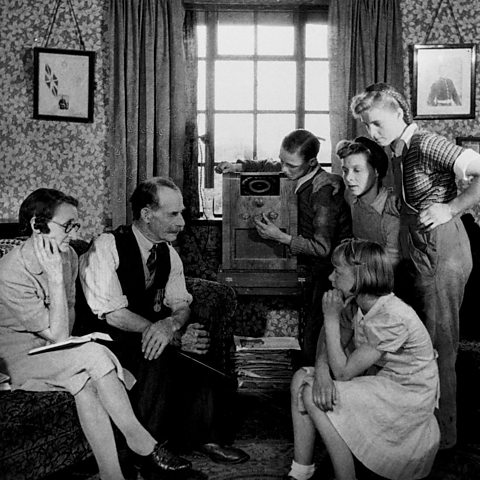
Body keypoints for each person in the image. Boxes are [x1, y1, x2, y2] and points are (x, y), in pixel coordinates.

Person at [0, 188, 191, 480]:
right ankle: (140, 441)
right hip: (16, 358)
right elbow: (61, 335)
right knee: (94, 352)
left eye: (76, 224)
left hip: (51, 350)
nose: (75, 232)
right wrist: (53, 277)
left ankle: (111, 475)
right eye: (67, 226)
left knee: (85, 383)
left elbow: (66, 323)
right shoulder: (11, 270)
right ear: (38, 225)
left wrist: (58, 272)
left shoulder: (67, 258)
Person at [79, 177, 249, 465]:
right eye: (173, 214)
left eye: (181, 212)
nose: (182, 222)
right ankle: (147, 450)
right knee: (155, 352)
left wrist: (172, 326)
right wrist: (168, 334)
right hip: (104, 340)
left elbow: (181, 305)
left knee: (200, 349)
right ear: (147, 214)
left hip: (147, 334)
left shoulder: (168, 253)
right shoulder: (107, 246)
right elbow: (113, 314)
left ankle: (203, 436)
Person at [350, 82, 480, 450]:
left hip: (444, 248)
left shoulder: (426, 142)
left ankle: (445, 436)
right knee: (420, 341)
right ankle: (422, 425)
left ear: (398, 112)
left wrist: (451, 208)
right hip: (419, 248)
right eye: (367, 127)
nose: (373, 133)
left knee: (442, 343)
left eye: (377, 123)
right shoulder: (397, 152)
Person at [287, 239, 440, 480]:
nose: (330, 278)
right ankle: (300, 472)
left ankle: (346, 477)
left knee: (311, 395)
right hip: (381, 384)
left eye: (337, 271)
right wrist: (321, 371)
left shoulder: (391, 315)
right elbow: (330, 346)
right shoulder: (358, 303)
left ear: (361, 275)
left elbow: (344, 373)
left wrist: (330, 318)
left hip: (407, 395)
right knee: (301, 378)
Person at [216, 129, 352, 365]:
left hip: (328, 273)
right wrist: (239, 167)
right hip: (307, 267)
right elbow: (270, 165)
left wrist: (281, 237)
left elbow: (322, 248)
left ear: (312, 163)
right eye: (283, 161)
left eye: (292, 166)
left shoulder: (325, 190)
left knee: (315, 334)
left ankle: (311, 379)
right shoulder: (295, 171)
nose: (284, 170)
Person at [336, 136, 400, 267]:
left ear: (376, 171)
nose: (348, 178)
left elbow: (392, 264)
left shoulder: (391, 213)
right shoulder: (351, 195)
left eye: (357, 170)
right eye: (345, 171)